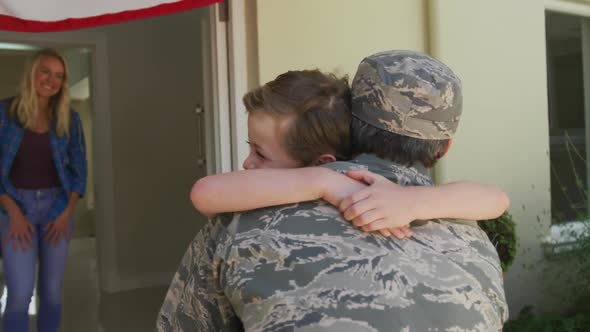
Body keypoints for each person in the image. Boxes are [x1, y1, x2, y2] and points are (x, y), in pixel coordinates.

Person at [157, 52, 508, 331]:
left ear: (349, 123)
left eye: (260, 153)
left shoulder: (245, 216)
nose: (249, 164)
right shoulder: (474, 241)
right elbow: (496, 200)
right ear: (444, 148)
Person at [0, 48, 87, 332]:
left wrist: (66, 212)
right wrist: (13, 212)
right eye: (45, 71)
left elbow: (79, 171)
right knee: (20, 293)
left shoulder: (69, 119)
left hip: (57, 207)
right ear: (32, 73)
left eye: (59, 76)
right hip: (13, 208)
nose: (51, 80)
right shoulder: (4, 112)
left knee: (51, 293)